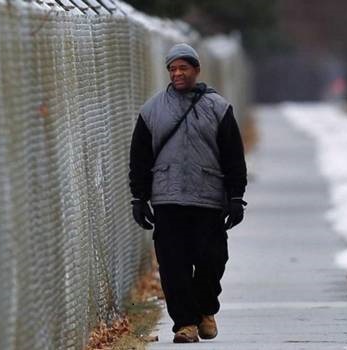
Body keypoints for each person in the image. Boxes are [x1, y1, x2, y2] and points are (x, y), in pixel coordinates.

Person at [128, 43, 247, 343]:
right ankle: (185, 324)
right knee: (172, 265)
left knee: (213, 259)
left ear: (196, 69)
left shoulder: (218, 108)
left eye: (183, 67)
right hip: (167, 199)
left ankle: (206, 309)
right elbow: (139, 159)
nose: (178, 73)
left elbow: (234, 156)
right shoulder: (151, 110)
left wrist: (235, 197)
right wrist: (139, 198)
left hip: (208, 199)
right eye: (173, 69)